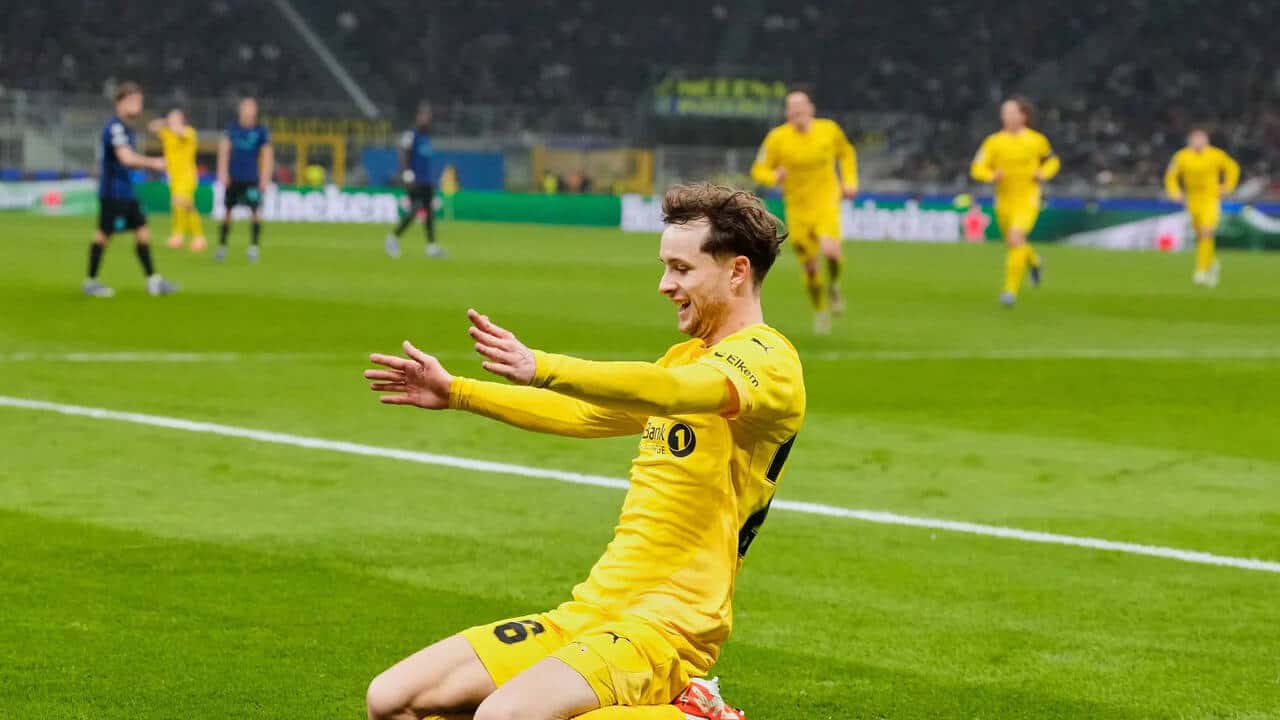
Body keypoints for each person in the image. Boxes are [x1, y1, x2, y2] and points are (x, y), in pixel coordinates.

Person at [362, 183, 805, 720]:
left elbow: (675, 392)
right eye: (665, 267)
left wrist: (544, 366)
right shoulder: (684, 358)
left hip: (669, 624)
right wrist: (457, 392)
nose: (665, 285)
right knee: (391, 700)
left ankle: (696, 715)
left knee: (503, 717)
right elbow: (586, 415)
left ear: (736, 272)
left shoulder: (768, 360)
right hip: (595, 609)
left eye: (681, 269)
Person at [750, 89, 858, 334]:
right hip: (797, 209)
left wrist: (850, 181)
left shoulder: (829, 130)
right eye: (792, 109)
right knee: (810, 267)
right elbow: (758, 169)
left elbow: (847, 153)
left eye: (801, 107)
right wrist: (773, 176)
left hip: (826, 202)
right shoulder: (777, 138)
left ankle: (834, 286)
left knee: (830, 251)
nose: (797, 113)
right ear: (787, 113)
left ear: (811, 109)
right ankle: (820, 310)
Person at [83, 82, 179, 298]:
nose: (138, 105)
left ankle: (153, 280)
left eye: (140, 101)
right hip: (113, 193)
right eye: (133, 101)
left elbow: (149, 129)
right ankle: (90, 281)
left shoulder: (126, 128)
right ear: (119, 103)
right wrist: (153, 163)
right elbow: (125, 158)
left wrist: (161, 125)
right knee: (103, 235)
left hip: (126, 192)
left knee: (143, 231)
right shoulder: (115, 127)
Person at [970, 96, 1059, 307]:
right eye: (1004, 112)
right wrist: (991, 176)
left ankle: (1010, 291)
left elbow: (1053, 161)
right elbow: (977, 168)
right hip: (1004, 201)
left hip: (1028, 199)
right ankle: (1035, 261)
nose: (1005, 116)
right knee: (1014, 243)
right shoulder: (993, 142)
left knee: (1015, 237)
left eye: (1010, 112)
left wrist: (1043, 173)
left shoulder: (1037, 140)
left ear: (1023, 116)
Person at [1164, 127, 1240, 288]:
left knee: (1207, 230)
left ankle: (1200, 270)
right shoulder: (1182, 156)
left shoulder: (1216, 155)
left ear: (1207, 140)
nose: (1198, 142)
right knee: (1201, 235)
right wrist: (1175, 192)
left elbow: (1233, 168)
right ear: (1190, 141)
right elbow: (1171, 176)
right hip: (1192, 200)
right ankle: (1210, 262)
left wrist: (1227, 187)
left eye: (1201, 138)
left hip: (1210, 199)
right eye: (1195, 139)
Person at [215, 96, 273, 262]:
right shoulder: (231, 129)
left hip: (252, 179)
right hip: (233, 178)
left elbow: (267, 155)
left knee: (255, 212)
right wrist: (222, 172)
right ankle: (222, 246)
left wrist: (265, 178)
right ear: (240, 110)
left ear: (255, 111)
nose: (248, 111)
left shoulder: (261, 131)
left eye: (251, 107)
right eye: (245, 107)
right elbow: (224, 151)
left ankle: (254, 247)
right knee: (227, 212)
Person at [385, 102, 444, 258]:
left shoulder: (425, 138)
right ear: (417, 117)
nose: (426, 119)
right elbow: (403, 152)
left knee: (429, 213)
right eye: (423, 115)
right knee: (415, 209)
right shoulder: (411, 135)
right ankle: (393, 238)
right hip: (415, 180)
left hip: (426, 180)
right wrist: (407, 174)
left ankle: (432, 246)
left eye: (428, 116)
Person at [148, 108, 206, 252]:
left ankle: (198, 237)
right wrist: (165, 121)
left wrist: (174, 125)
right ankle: (178, 236)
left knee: (182, 202)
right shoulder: (166, 133)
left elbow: (182, 133)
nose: (172, 121)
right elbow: (151, 127)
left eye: (176, 118)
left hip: (187, 176)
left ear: (182, 120)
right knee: (178, 207)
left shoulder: (189, 132)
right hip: (173, 176)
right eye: (171, 118)